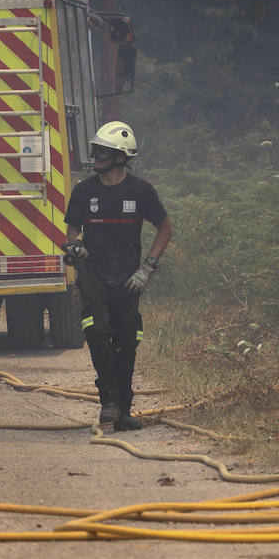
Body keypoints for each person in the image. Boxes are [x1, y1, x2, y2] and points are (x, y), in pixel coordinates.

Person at [63, 120, 172, 431]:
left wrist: (147, 268)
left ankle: (123, 408)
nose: (95, 157)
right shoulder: (84, 191)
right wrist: (75, 247)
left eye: (103, 152)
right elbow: (73, 227)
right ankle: (108, 400)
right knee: (97, 331)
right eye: (96, 151)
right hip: (93, 275)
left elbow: (165, 228)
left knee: (127, 340)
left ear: (121, 157)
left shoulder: (141, 192)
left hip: (127, 279)